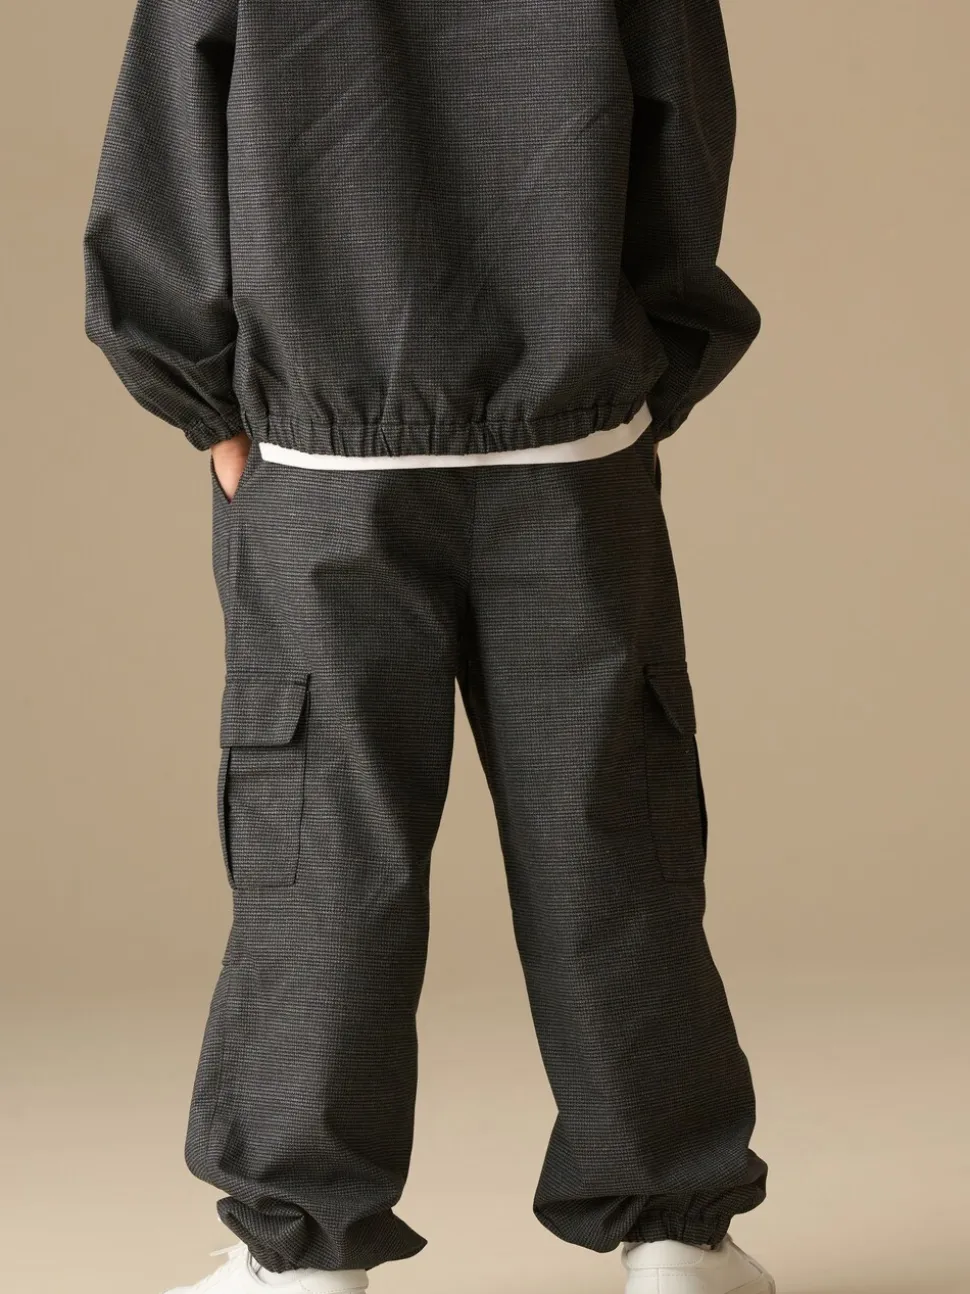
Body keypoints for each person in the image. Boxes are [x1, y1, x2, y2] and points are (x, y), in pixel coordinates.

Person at [83, 0, 773, 1291]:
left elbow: (164, 143)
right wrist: (621, 386)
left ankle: (305, 1255)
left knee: (323, 845)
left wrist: (211, 405)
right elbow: (685, 131)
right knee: (609, 833)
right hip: (568, 443)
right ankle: (675, 1238)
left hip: (325, 457)